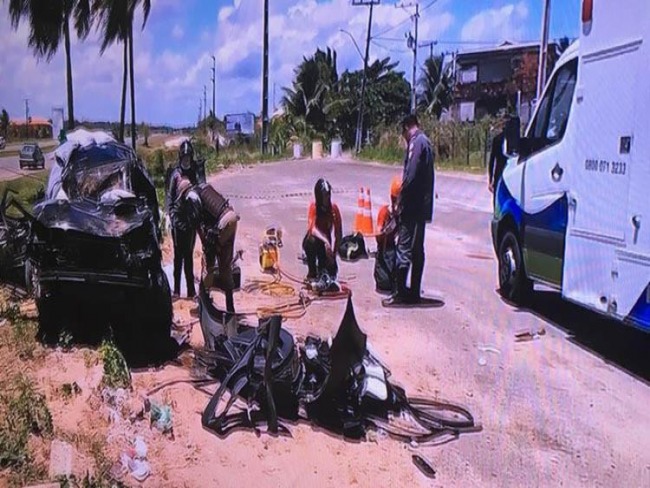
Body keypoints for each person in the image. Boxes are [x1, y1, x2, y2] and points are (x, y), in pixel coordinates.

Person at [383, 114, 435, 307]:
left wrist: (400, 201)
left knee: (404, 248)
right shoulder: (426, 142)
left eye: (403, 133)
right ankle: (414, 292)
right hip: (421, 207)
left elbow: (411, 176)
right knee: (417, 249)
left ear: (406, 128)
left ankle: (399, 294)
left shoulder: (416, 143)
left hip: (412, 207)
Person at [195, 183, 239, 313]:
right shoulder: (205, 189)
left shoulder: (193, 201)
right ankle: (230, 308)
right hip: (232, 217)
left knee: (208, 265)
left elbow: (200, 228)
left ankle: (204, 303)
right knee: (225, 265)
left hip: (223, 221)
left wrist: (207, 248)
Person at [166, 140, 199, 297]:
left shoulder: (195, 173)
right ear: (180, 157)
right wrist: (170, 215)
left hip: (191, 220)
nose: (186, 160)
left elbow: (201, 191)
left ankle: (191, 291)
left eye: (188, 157)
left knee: (189, 256)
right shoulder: (175, 175)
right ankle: (177, 290)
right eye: (184, 157)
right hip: (177, 220)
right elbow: (169, 197)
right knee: (178, 257)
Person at [302, 178, 343, 281]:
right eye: (325, 195)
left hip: (326, 247)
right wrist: (326, 241)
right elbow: (313, 229)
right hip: (316, 241)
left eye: (328, 194)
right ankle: (311, 270)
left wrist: (333, 254)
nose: (327, 197)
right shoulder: (314, 207)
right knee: (310, 241)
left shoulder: (334, 209)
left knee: (330, 273)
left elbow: (338, 234)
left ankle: (322, 267)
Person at [374, 175, 401, 294]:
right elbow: (378, 235)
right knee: (384, 283)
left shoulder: (402, 214)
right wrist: (386, 230)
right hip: (384, 248)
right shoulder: (384, 212)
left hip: (395, 248)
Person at [488, 111, 509, 199]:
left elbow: (492, 160)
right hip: (510, 170)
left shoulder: (497, 139)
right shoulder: (517, 141)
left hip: (499, 172)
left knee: (498, 199)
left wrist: (490, 179)